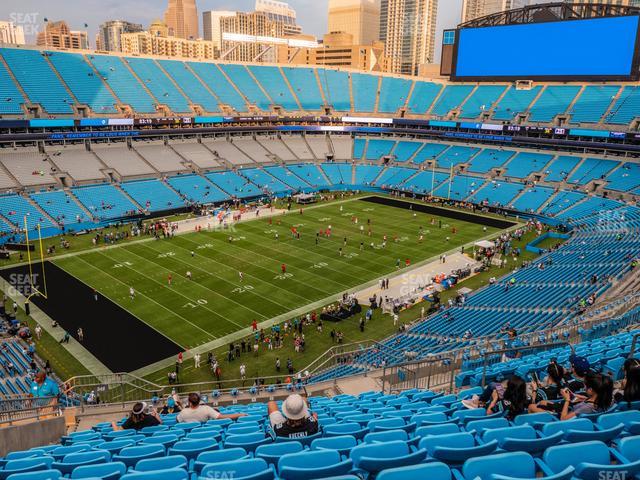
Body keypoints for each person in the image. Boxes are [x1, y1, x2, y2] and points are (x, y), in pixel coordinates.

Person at [177, 393, 247, 422]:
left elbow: (178, 420)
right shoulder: (206, 408)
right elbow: (223, 417)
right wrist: (240, 414)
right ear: (199, 401)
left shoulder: (183, 412)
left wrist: (180, 406)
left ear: (190, 402)